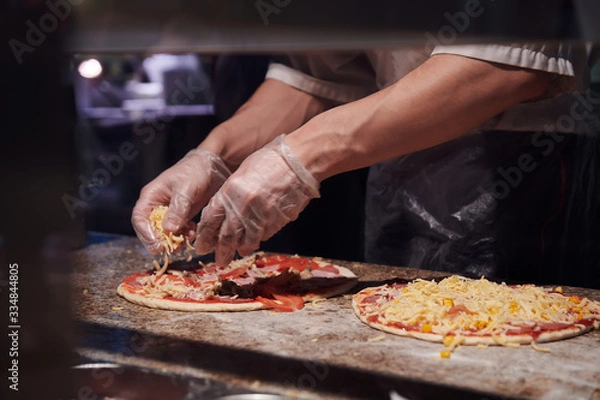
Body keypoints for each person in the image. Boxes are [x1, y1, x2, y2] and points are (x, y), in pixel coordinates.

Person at [131, 43, 596, 284]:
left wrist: (299, 158)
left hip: (536, 168)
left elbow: (509, 66)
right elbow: (315, 78)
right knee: (401, 355)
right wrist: (214, 157)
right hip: (392, 167)